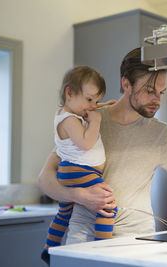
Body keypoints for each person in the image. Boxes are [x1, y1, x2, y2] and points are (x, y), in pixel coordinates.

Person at [38, 47, 167, 246]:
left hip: (136, 241)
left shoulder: (162, 135)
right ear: (126, 84)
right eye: (150, 91)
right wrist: (79, 196)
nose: (157, 100)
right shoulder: (89, 120)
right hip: (82, 238)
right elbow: (45, 179)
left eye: (162, 92)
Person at [41, 66, 117, 264]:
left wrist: (102, 106)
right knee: (108, 208)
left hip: (71, 172)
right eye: (90, 99)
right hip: (81, 171)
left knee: (64, 212)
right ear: (69, 93)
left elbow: (88, 110)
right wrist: (96, 122)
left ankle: (49, 248)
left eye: (97, 101)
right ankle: (102, 250)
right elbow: (86, 143)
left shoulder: (68, 114)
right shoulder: (69, 120)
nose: (93, 106)